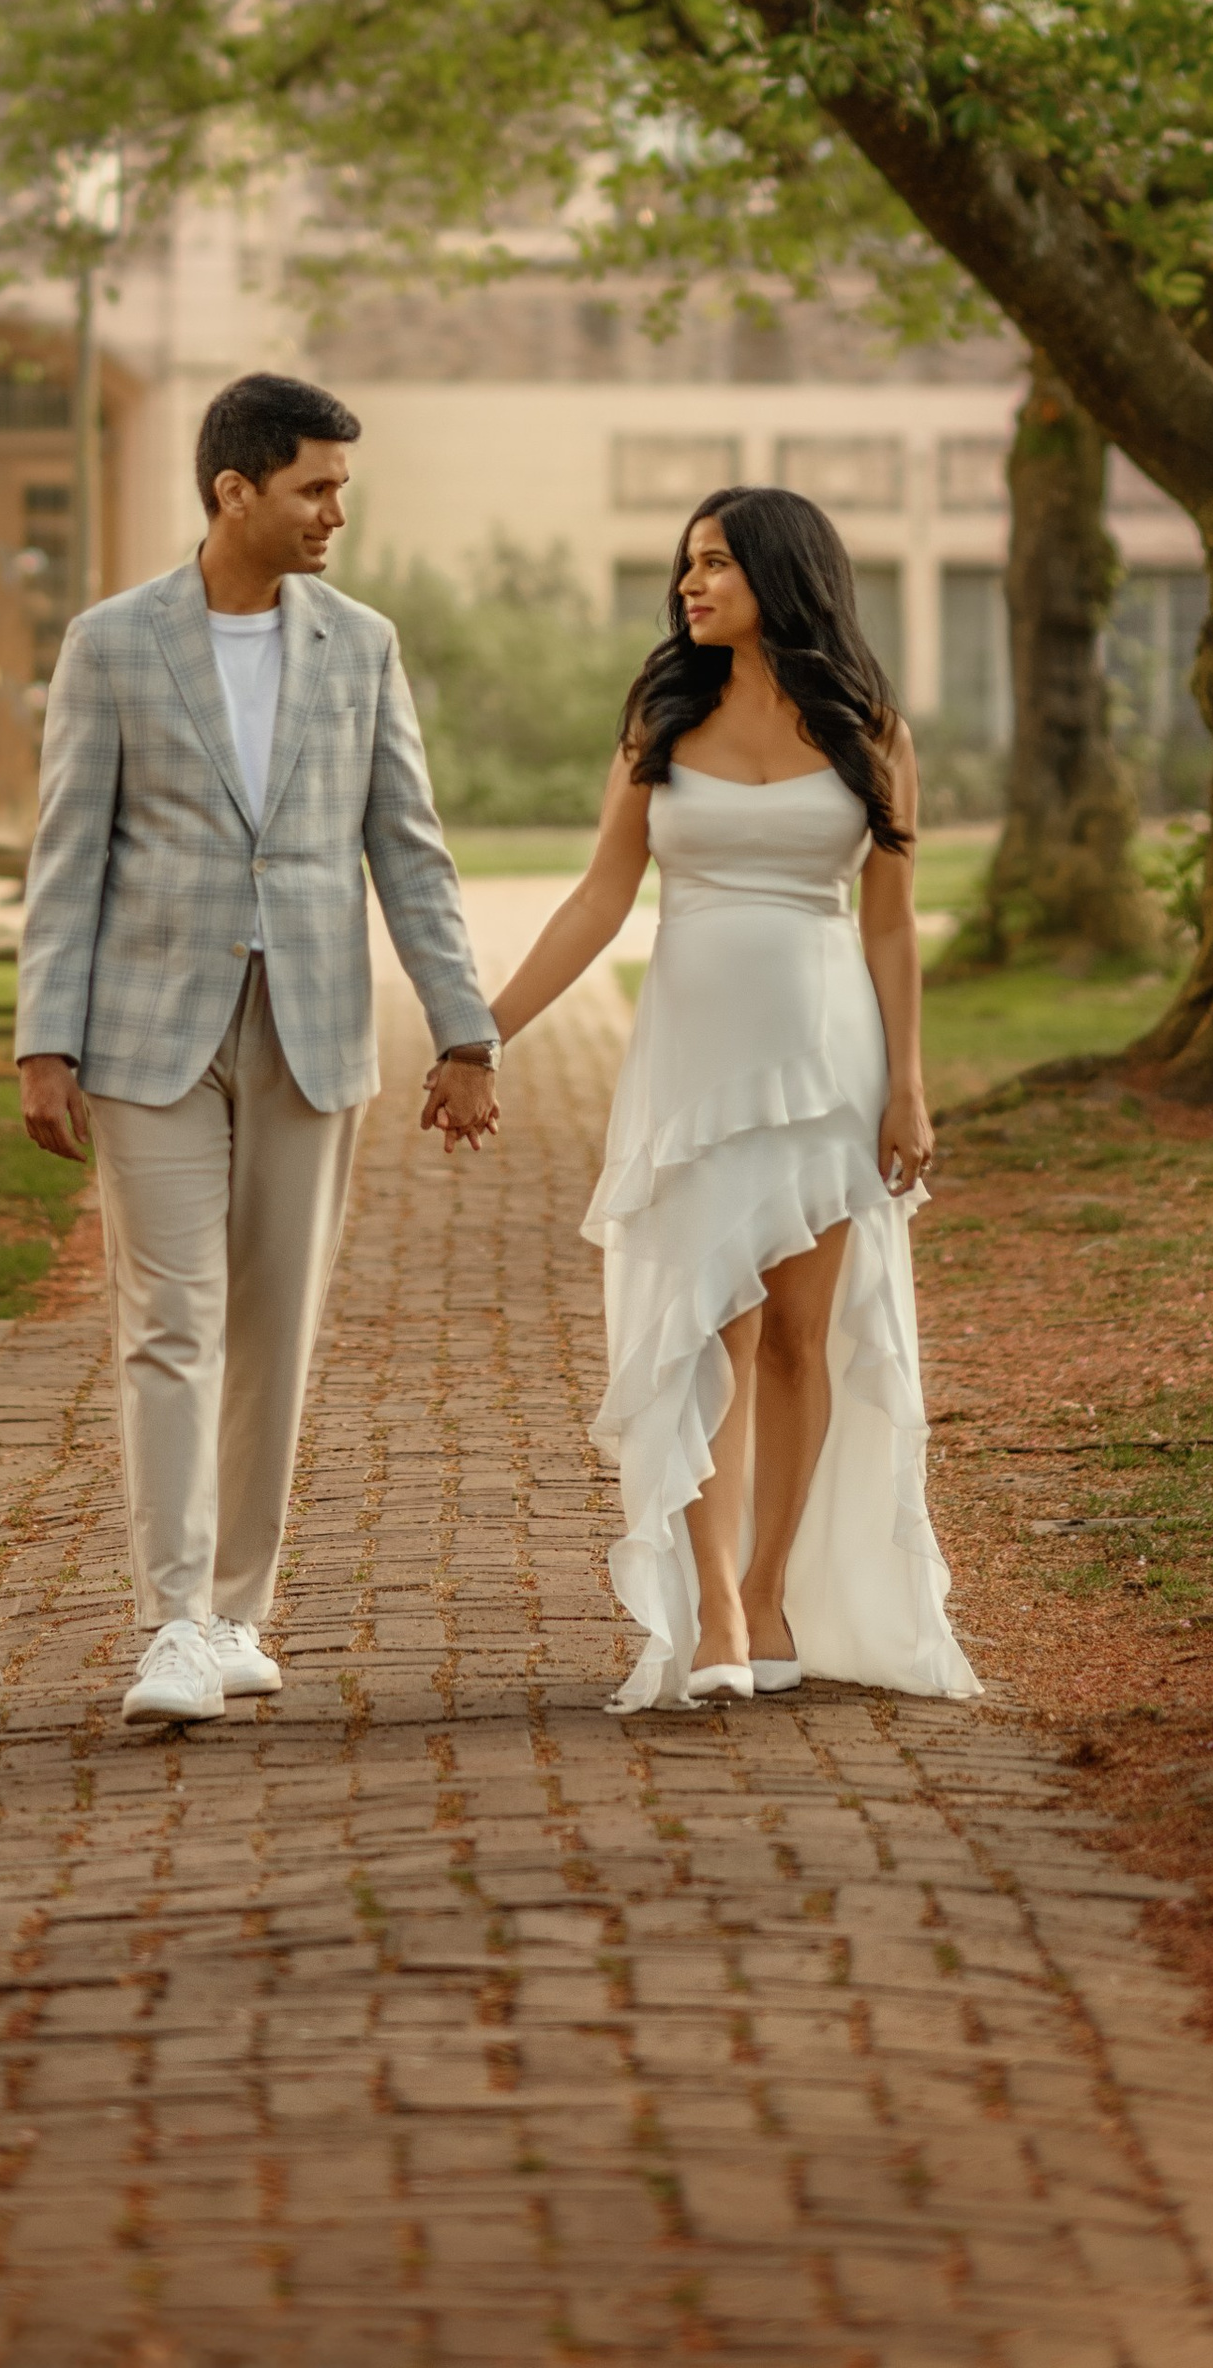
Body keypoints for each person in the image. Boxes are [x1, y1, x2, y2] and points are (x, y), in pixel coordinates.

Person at [15, 372, 501, 1727]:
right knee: (170, 1324)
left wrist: (464, 1030)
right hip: (145, 1036)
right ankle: (171, 1621)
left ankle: (236, 1612)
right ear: (235, 491)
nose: (336, 512)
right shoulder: (112, 643)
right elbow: (66, 855)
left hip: (313, 1032)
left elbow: (410, 851)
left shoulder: (362, 645)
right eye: (314, 488)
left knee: (274, 1333)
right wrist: (44, 1041)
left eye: (340, 488)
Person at [487, 487, 979, 1711]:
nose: (689, 585)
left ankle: (766, 1594)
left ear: (780, 573)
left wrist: (907, 1088)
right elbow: (599, 898)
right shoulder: (661, 719)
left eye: (714, 563)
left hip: (827, 1056)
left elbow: (891, 924)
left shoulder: (870, 730)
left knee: (801, 1336)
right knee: (715, 1323)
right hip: (694, 1058)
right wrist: (480, 1032)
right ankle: (708, 1608)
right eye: (686, 565)